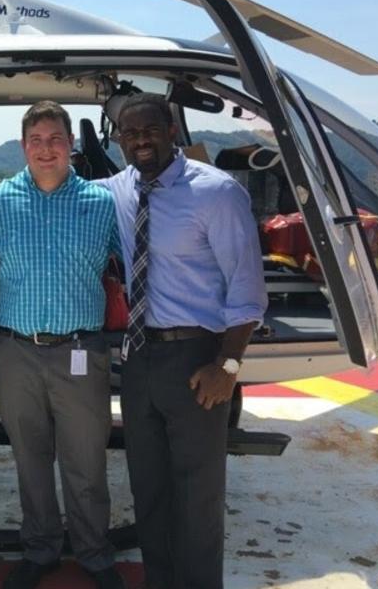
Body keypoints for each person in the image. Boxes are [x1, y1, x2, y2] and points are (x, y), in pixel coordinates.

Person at [97, 93, 267, 589]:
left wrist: (228, 367)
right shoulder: (117, 189)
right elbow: (66, 192)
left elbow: (247, 290)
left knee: (198, 494)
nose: (141, 140)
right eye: (130, 133)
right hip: (139, 357)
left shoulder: (217, 193)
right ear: (120, 140)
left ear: (173, 131)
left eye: (150, 129)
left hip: (198, 357)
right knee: (148, 489)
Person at [0, 101, 125, 589]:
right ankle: (40, 548)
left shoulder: (100, 204)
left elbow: (130, 268)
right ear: (24, 146)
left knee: (86, 461)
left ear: (70, 144)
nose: (47, 149)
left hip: (80, 350)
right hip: (14, 350)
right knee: (31, 458)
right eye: (36, 140)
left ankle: (94, 553)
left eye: (56, 138)